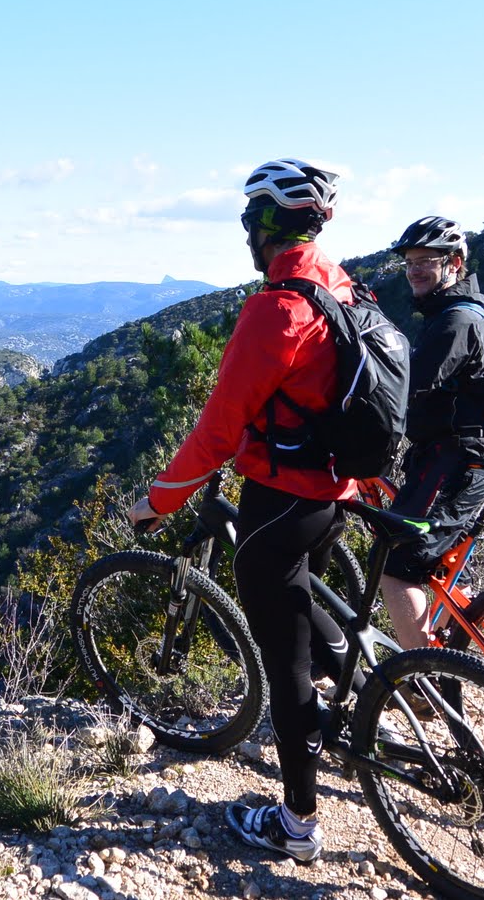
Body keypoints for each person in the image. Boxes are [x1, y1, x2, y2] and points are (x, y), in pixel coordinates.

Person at [127, 158, 360, 864]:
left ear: (265, 223)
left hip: (279, 503)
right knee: (312, 614)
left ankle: (295, 823)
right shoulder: (340, 286)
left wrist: (159, 502)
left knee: (284, 664)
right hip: (335, 492)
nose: (245, 232)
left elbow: (219, 431)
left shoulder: (275, 310)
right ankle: (359, 687)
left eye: (247, 218)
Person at [379, 216, 484, 652]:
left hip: (453, 463)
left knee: (398, 571)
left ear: (455, 263)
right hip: (453, 459)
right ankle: (443, 655)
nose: (414, 270)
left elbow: (409, 388)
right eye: (409, 262)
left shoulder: (457, 322)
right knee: (431, 569)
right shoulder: (451, 315)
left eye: (427, 260)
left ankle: (421, 682)